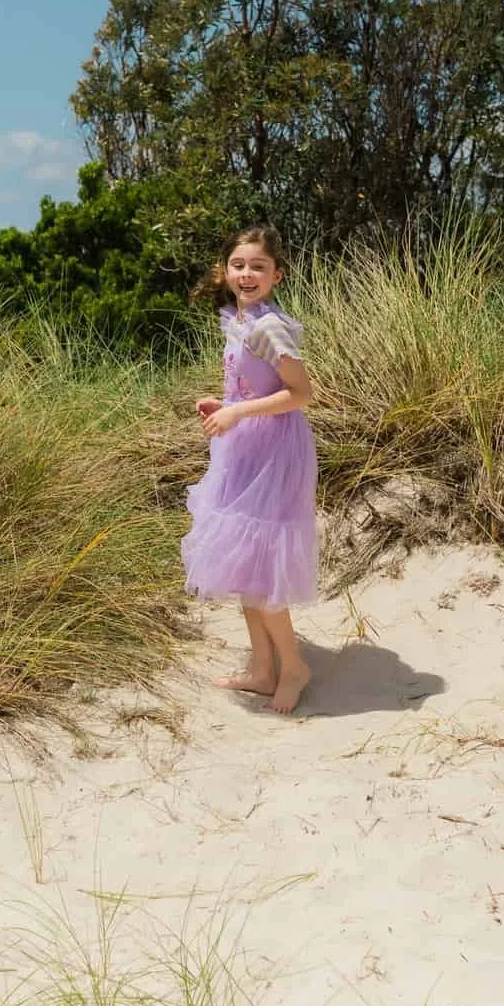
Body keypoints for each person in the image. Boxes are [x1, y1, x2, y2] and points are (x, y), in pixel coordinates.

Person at [181, 226, 318, 715]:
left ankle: (293, 665)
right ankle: (262, 670)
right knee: (243, 565)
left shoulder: (269, 326)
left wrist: (238, 412)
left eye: (258, 266)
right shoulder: (241, 320)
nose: (247, 274)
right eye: (238, 265)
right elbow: (254, 386)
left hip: (274, 450)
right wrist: (226, 402)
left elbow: (301, 394)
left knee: (263, 569)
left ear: (276, 275)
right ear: (225, 271)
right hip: (244, 446)